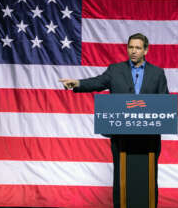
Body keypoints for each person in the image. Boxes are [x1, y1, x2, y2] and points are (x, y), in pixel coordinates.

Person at [60, 33, 169, 208]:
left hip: (148, 139)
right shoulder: (115, 70)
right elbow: (97, 82)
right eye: (130, 47)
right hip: (122, 138)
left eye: (138, 48)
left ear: (146, 50)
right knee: (122, 178)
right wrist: (78, 83)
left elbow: (164, 102)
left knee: (148, 178)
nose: (133, 51)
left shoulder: (157, 73)